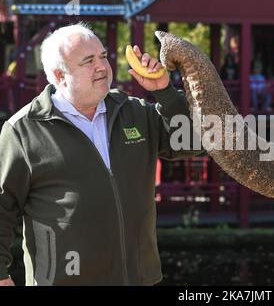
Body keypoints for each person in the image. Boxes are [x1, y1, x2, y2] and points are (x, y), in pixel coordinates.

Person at [0, 23, 200, 286]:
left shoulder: (134, 111)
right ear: (60, 76)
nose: (102, 67)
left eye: (103, 56)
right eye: (88, 61)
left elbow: (193, 142)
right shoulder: (22, 130)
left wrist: (164, 91)